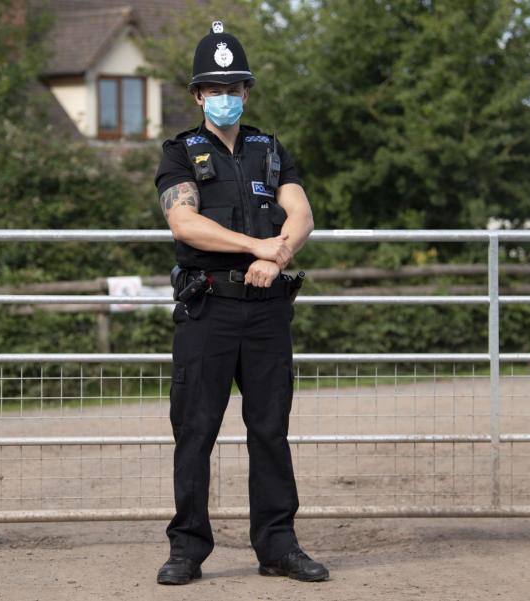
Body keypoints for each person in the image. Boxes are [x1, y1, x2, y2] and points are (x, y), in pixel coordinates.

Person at [153, 20, 328, 585]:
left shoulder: (269, 150)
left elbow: (300, 214)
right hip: (209, 308)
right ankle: (187, 550)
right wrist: (256, 244)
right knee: (196, 431)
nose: (225, 98)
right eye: (214, 89)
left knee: (270, 429)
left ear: (245, 92)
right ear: (198, 95)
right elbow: (184, 221)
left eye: (234, 88)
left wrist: (274, 259)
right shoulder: (180, 155)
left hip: (267, 309)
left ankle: (278, 545)